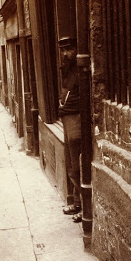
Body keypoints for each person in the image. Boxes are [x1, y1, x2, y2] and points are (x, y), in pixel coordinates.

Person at [58, 36, 82, 222]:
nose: (65, 54)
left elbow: (77, 97)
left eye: (69, 49)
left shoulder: (80, 69)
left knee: (77, 164)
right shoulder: (67, 68)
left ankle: (84, 207)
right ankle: (77, 202)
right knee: (71, 164)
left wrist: (65, 107)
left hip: (75, 119)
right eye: (63, 50)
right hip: (67, 119)